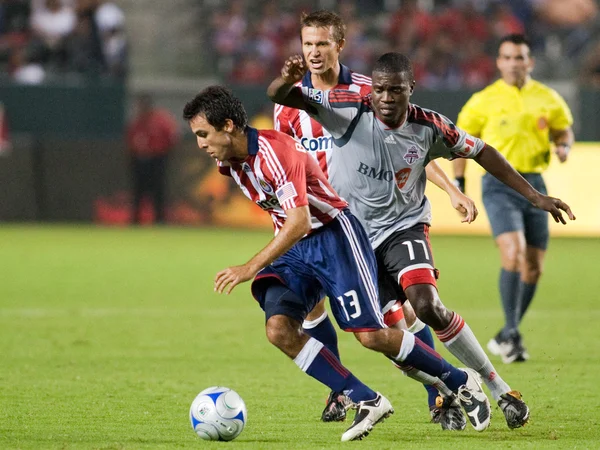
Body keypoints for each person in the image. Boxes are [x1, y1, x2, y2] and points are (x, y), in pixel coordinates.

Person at [268, 51, 576, 430]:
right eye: (380, 89)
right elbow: (282, 96)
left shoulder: (431, 126)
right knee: (384, 336)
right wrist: (287, 79)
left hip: (404, 227)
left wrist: (534, 196)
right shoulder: (345, 109)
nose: (386, 98)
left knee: (426, 305)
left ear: (410, 89)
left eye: (395, 90)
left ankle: (499, 388)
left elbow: (483, 152)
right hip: (354, 240)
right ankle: (451, 384)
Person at [183, 85, 492, 441]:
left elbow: (300, 220)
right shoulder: (229, 161)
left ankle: (458, 380)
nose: (201, 144)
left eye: (203, 134)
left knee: (372, 336)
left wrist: (248, 267)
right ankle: (364, 398)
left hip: (335, 237)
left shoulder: (274, 151)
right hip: (297, 249)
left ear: (229, 126)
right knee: (279, 329)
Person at [273, 9, 477, 428]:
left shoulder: (370, 91)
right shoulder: (289, 107)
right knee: (312, 313)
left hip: (364, 222)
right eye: (307, 43)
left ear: (339, 46)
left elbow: (412, 149)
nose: (313, 52)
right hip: (313, 225)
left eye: (322, 43)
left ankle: (439, 393)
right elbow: (284, 164)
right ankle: (340, 391)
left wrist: (452, 189)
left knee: (394, 319)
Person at [452, 34, 575, 364]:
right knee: (513, 251)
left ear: (529, 62)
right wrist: (460, 184)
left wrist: (564, 145)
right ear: (499, 62)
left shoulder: (547, 98)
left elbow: (564, 129)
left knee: (533, 268)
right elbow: (462, 142)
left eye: (519, 57)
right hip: (498, 185)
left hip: (536, 184)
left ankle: (507, 334)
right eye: (507, 57)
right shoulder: (483, 100)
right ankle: (513, 334)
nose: (513, 63)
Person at [126, 93, 179, 224]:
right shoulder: (137, 122)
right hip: (139, 159)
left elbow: (171, 137)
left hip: (157, 158)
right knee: (138, 190)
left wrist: (163, 153)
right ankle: (136, 219)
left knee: (158, 189)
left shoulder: (160, 120)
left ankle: (160, 219)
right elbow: (130, 140)